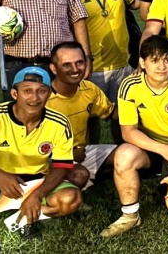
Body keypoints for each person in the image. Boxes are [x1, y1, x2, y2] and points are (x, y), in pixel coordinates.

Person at [0, 67, 82, 253]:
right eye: (27, 91)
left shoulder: (59, 122)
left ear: (49, 94)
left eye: (41, 91)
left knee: (71, 199)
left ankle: (21, 217)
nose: (34, 98)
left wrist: (37, 195)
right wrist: (0, 176)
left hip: (36, 179)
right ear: (14, 93)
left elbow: (61, 166)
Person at [99, 35, 168, 238]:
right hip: (150, 148)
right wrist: (162, 149)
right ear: (142, 62)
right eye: (154, 60)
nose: (161, 66)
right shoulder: (130, 85)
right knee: (124, 155)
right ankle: (130, 215)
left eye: (167, 59)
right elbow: (128, 132)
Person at [73, 0, 138, 145]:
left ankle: (124, 153)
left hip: (122, 65)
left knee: (123, 115)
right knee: (90, 117)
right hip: (91, 68)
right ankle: (91, 158)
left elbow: (135, 3)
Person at [45, 41, 116, 189]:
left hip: (82, 152)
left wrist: (144, 105)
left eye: (79, 63)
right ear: (54, 68)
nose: (75, 69)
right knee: (80, 175)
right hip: (51, 158)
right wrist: (68, 154)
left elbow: (113, 113)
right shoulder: (42, 98)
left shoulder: (88, 89)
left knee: (130, 155)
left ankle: (82, 178)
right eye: (67, 65)